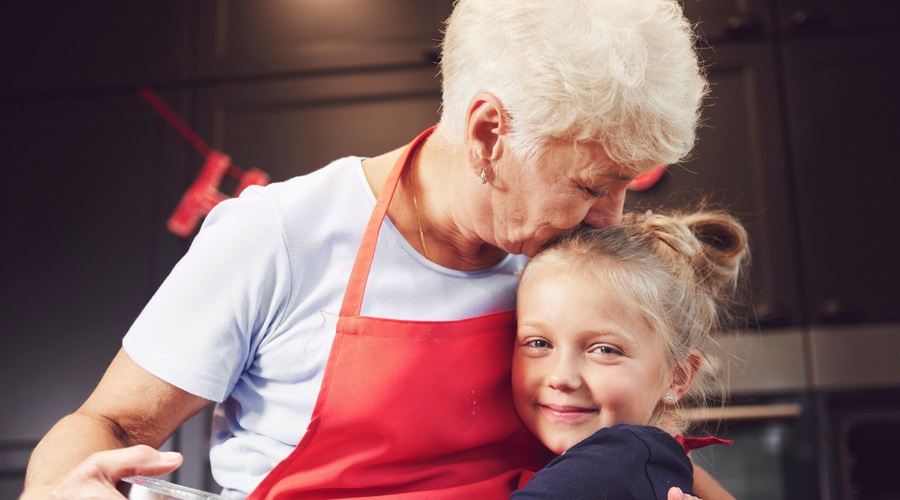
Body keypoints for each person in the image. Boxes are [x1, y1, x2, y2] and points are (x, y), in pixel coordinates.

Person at [22, 0, 718, 498]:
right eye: (592, 185)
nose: (609, 217)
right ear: (487, 134)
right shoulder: (280, 236)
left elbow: (631, 445)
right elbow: (106, 423)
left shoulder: (567, 259)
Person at [510, 209, 749, 499]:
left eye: (604, 350)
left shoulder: (610, 464)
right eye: (539, 343)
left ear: (678, 376)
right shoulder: (652, 461)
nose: (561, 377)